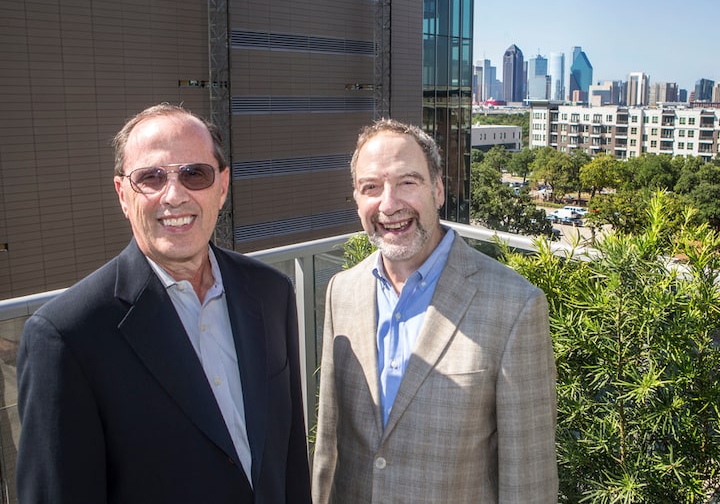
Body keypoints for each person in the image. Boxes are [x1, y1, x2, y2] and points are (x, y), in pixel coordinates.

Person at [16, 104, 312, 504]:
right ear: (123, 194)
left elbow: (290, 457)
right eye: (151, 177)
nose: (174, 195)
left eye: (195, 173)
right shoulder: (67, 336)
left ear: (221, 187)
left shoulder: (272, 292)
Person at [312, 119, 557, 503]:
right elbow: (328, 444)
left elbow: (529, 479)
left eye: (408, 182)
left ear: (438, 189)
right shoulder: (341, 292)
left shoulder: (515, 306)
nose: (389, 204)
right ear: (357, 199)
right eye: (371, 187)